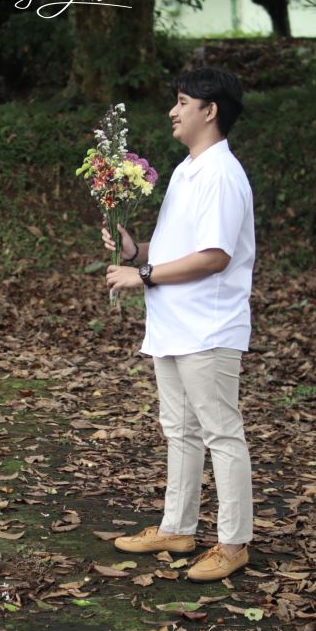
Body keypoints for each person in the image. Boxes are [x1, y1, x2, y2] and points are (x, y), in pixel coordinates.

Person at [102, 67, 256, 583]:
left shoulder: (221, 174)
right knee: (181, 431)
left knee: (221, 433)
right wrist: (135, 251)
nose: (173, 111)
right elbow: (178, 249)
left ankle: (233, 543)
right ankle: (177, 528)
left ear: (210, 111)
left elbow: (214, 256)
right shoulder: (186, 171)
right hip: (172, 324)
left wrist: (142, 275)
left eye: (183, 102)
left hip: (208, 327)